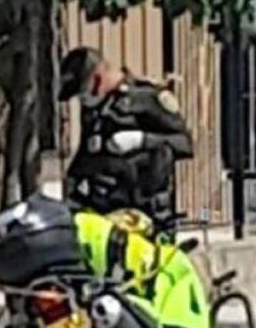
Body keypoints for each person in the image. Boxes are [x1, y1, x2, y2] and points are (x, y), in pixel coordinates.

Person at [56, 46, 193, 221]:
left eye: (83, 94)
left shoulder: (145, 97)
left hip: (146, 213)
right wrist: (71, 193)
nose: (83, 101)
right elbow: (86, 154)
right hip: (106, 212)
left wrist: (142, 140)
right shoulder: (94, 108)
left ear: (98, 81)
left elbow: (185, 144)